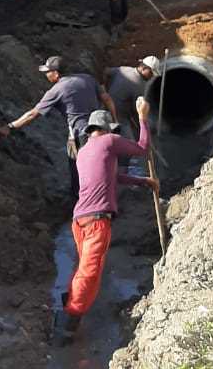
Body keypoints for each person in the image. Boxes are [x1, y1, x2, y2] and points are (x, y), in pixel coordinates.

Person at [59, 98, 158, 340]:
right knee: (89, 272)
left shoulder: (84, 152)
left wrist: (143, 182)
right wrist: (143, 117)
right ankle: (67, 322)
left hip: (79, 220)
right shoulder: (109, 141)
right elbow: (142, 149)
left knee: (84, 269)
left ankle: (70, 306)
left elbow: (111, 178)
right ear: (106, 130)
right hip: (96, 222)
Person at [1, 55, 117, 201]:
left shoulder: (57, 90)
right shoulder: (87, 79)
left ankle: (82, 202)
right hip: (101, 130)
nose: (46, 75)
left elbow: (32, 114)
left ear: (56, 73)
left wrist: (10, 126)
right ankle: (106, 198)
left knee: (79, 172)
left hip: (80, 135)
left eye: (47, 72)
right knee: (100, 167)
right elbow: (106, 98)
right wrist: (114, 120)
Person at [104, 56, 162, 141]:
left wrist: (105, 90)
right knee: (131, 142)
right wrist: (144, 127)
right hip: (120, 118)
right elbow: (138, 111)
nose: (152, 76)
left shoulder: (124, 69)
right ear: (144, 68)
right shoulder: (140, 86)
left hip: (104, 110)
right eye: (151, 73)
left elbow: (106, 71)